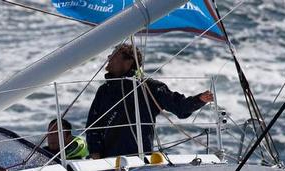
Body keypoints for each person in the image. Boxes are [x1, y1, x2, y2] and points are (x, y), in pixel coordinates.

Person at [85, 43, 214, 159]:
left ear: (129, 61)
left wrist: (199, 99)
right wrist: (95, 155)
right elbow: (93, 126)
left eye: (113, 56)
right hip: (108, 163)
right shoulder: (104, 91)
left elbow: (179, 107)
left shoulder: (149, 87)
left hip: (140, 161)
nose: (108, 58)